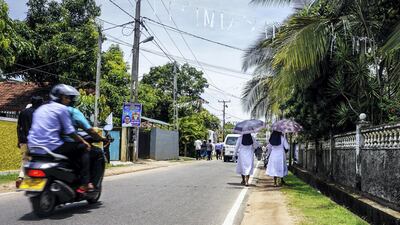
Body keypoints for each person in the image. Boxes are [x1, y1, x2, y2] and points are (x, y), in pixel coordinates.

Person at [28, 84, 93, 192]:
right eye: (67, 97)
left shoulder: (41, 108)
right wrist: (84, 142)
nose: (69, 100)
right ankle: (85, 183)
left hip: (33, 147)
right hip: (52, 147)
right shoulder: (62, 109)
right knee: (83, 148)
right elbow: (70, 132)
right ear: (62, 97)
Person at [16, 96, 43, 188]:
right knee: (36, 160)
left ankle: (21, 177)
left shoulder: (23, 112)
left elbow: (19, 127)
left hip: (23, 140)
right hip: (35, 141)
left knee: (25, 159)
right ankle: (32, 181)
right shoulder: (39, 113)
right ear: (39, 104)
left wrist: (19, 140)